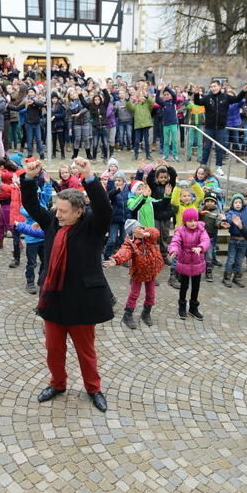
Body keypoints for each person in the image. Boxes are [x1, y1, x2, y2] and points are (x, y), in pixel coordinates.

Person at [21, 157, 112, 413]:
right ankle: (58, 384)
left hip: (83, 301)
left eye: (63, 211)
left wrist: (90, 178)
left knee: (86, 352)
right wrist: (29, 178)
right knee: (53, 350)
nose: (57, 214)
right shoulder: (52, 221)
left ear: (79, 210)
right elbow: (29, 203)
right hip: (54, 299)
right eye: (56, 209)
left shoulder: (93, 226)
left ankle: (94, 388)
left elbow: (105, 209)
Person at [104, 219, 164, 329]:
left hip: (151, 272)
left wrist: (146, 233)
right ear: (132, 232)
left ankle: (146, 313)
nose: (141, 230)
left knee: (151, 294)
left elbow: (155, 232)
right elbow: (124, 252)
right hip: (138, 273)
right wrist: (116, 260)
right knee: (134, 294)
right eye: (137, 229)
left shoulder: (148, 235)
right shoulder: (130, 244)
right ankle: (128, 314)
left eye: (141, 227)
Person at [168, 208, 210, 320]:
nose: (192, 223)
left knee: (196, 287)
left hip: (197, 263)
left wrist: (200, 248)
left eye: (194, 220)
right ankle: (181, 306)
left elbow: (206, 240)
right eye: (190, 221)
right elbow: (175, 242)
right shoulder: (180, 231)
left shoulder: (201, 230)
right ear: (185, 221)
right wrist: (174, 250)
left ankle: (193, 307)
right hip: (184, 263)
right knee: (184, 286)